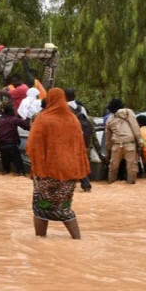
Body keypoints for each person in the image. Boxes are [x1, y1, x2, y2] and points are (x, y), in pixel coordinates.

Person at [26, 88, 90, 240]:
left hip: (47, 171)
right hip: (69, 171)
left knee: (41, 206)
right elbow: (80, 146)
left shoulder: (42, 118)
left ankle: (40, 240)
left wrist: (37, 165)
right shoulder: (73, 119)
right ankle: (77, 239)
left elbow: (32, 145)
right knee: (64, 207)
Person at [105, 98, 142, 184]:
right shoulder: (129, 113)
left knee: (113, 166)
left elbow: (108, 137)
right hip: (130, 144)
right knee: (131, 167)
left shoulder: (110, 119)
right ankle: (131, 183)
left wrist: (108, 151)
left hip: (116, 144)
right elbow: (135, 128)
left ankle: (111, 182)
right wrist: (139, 142)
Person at [0, 104, 30, 175]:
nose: (15, 112)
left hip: (2, 145)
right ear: (10, 112)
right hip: (12, 145)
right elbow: (26, 127)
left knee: (5, 169)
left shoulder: (1, 121)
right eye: (14, 110)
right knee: (19, 167)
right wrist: (28, 118)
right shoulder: (14, 119)